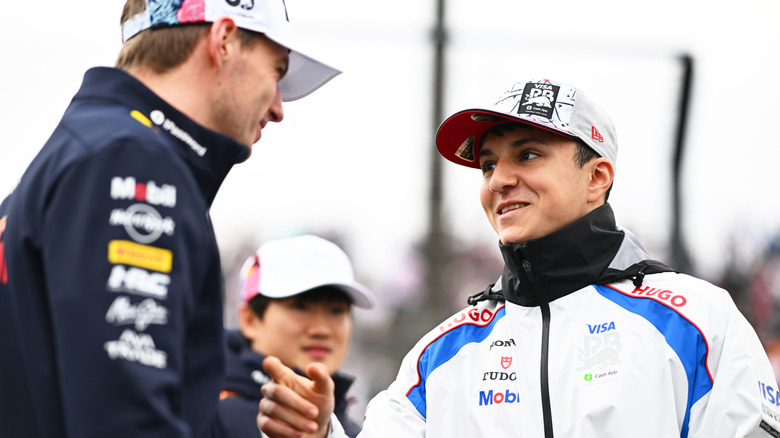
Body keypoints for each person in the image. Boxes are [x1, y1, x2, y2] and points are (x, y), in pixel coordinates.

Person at [255, 79, 780, 437]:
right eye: (487, 165)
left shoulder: (697, 318)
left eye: (527, 154)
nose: (501, 180)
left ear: (597, 178)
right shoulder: (441, 354)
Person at [0, 0, 340, 436]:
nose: (277, 107)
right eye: (276, 71)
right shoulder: (133, 163)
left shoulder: (83, 150)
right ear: (225, 41)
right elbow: (126, 421)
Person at [211, 234, 375, 438]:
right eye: (301, 307)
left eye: (337, 310)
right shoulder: (202, 412)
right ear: (250, 320)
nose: (322, 330)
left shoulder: (360, 432)